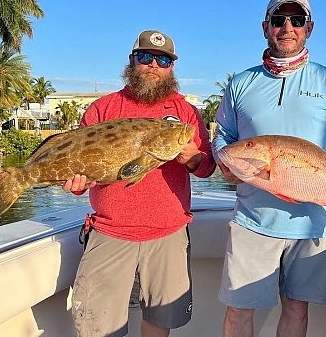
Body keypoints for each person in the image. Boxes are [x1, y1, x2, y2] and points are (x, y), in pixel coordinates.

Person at [211, 0, 326, 337]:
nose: (287, 27)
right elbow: (223, 134)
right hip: (253, 220)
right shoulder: (241, 82)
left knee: (296, 310)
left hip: (314, 222)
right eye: (279, 20)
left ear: (308, 28)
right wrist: (225, 160)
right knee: (238, 310)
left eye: (297, 20)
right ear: (265, 27)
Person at [63, 30, 216, 337]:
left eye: (163, 60)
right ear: (132, 62)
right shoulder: (103, 109)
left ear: (171, 67)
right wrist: (76, 183)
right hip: (109, 232)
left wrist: (193, 159)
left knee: (161, 320)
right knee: (97, 326)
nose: (153, 65)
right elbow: (76, 168)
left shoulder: (186, 112)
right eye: (145, 57)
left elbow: (207, 166)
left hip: (168, 234)